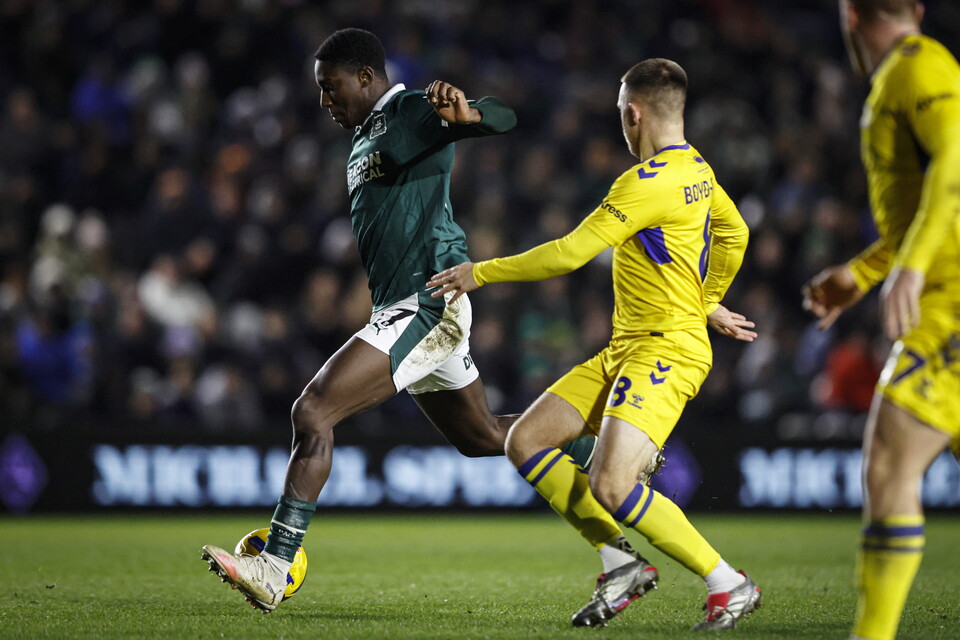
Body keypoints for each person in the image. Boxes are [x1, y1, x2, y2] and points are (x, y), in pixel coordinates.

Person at [200, 28, 597, 612]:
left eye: (331, 88)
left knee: (312, 410)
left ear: (366, 77)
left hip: (427, 300)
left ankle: (275, 565)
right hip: (406, 305)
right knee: (482, 436)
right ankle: (607, 442)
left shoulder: (408, 111)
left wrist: (470, 113)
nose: (324, 101)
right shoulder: (366, 136)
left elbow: (505, 117)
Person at [429, 58, 760, 631]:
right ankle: (620, 563)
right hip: (628, 346)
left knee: (612, 483)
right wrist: (708, 299)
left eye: (618, 115)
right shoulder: (698, 170)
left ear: (633, 114)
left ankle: (727, 582)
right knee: (525, 441)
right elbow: (736, 233)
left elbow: (570, 252)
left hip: (666, 350)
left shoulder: (644, 183)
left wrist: (479, 272)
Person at [802, 2, 960, 639]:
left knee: (890, 469)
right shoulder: (906, 73)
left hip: (949, 302)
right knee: (892, 468)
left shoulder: (919, 68)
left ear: (849, 17)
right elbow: (922, 210)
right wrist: (862, 275)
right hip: (942, 292)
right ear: (915, 9)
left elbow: (955, 169)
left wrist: (914, 269)